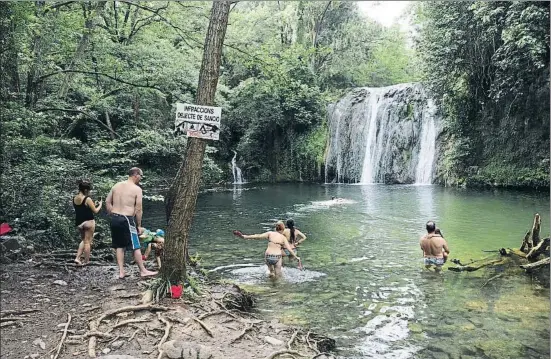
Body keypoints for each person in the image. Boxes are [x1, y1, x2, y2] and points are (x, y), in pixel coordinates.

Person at [105, 167, 157, 279]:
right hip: (126, 219)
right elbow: (138, 209)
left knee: (119, 246)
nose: (141, 179)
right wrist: (138, 225)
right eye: (141, 176)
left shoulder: (116, 185)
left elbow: (107, 201)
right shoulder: (136, 189)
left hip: (114, 218)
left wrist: (112, 212)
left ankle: (121, 272)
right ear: (136, 175)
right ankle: (143, 270)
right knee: (135, 245)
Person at [233, 221, 300, 278]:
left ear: (275, 228)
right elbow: (290, 249)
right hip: (277, 257)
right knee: (278, 275)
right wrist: (296, 257)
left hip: (268, 256)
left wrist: (244, 236)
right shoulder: (283, 238)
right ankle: (278, 289)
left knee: (271, 272)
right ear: (283, 229)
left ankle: (270, 282)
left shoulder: (270, 233)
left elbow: (257, 236)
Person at [73, 180, 102, 265]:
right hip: (89, 222)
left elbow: (82, 209)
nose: (89, 192)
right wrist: (100, 204)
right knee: (87, 242)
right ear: (86, 190)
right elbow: (95, 211)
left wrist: (93, 204)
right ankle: (86, 261)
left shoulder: (74, 198)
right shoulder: (87, 199)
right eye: (89, 190)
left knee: (83, 240)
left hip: (79, 223)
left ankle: (77, 258)